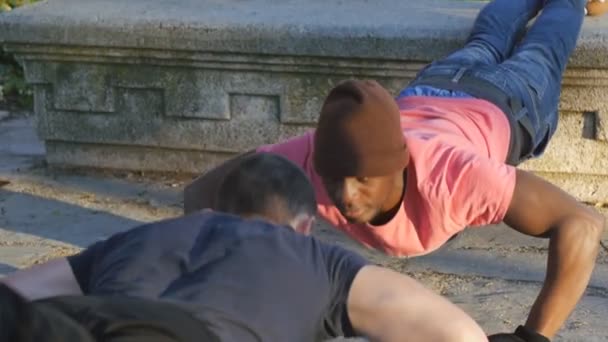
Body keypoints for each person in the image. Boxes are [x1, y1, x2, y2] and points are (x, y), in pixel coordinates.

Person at [183, 0, 605, 340]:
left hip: (507, 100)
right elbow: (201, 193)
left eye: (363, 179)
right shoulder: (315, 155)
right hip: (437, 84)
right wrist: (213, 278)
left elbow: (581, 223)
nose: (346, 195)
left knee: (542, 48)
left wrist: (532, 337)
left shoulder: (454, 178)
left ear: (400, 164)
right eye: (334, 178)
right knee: (489, 36)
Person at [1, 153, 488, 342]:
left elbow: (15, 291)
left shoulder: (136, 238)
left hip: (77, 318)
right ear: (302, 226)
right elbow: (458, 336)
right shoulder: (318, 259)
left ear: (211, 212)